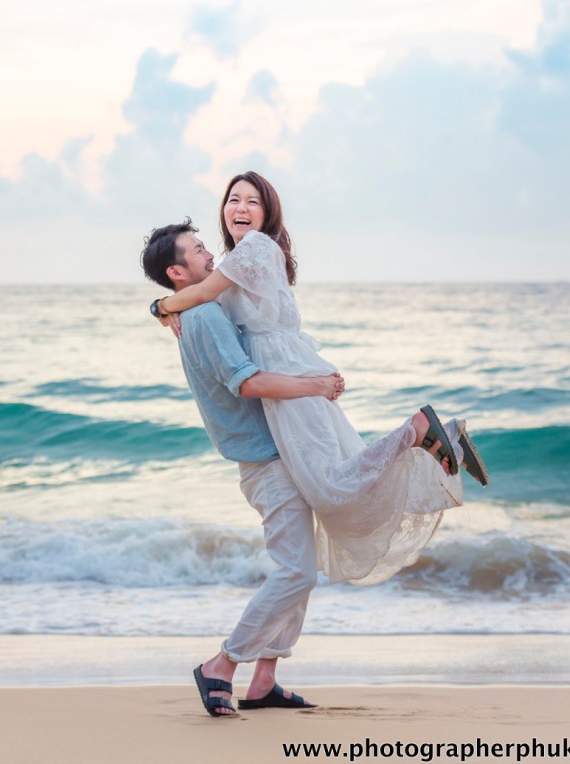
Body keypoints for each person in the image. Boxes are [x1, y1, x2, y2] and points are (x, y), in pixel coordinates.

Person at [152, 172, 489, 588]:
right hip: (284, 373)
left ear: (268, 212)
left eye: (252, 202)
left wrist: (161, 305)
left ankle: (418, 429)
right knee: (337, 476)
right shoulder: (238, 259)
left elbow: (200, 295)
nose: (240, 208)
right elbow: (203, 293)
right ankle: (443, 436)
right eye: (233, 199)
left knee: (329, 487)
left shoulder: (254, 248)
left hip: (285, 374)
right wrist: (169, 309)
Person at [141, 219, 343, 718]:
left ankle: (264, 682)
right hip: (264, 460)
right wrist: (317, 386)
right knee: (296, 572)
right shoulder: (205, 316)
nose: (211, 254)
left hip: (273, 452)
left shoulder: (197, 308)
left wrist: (160, 305)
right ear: (177, 270)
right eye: (198, 250)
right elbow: (247, 383)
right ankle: (222, 665)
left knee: (302, 571)